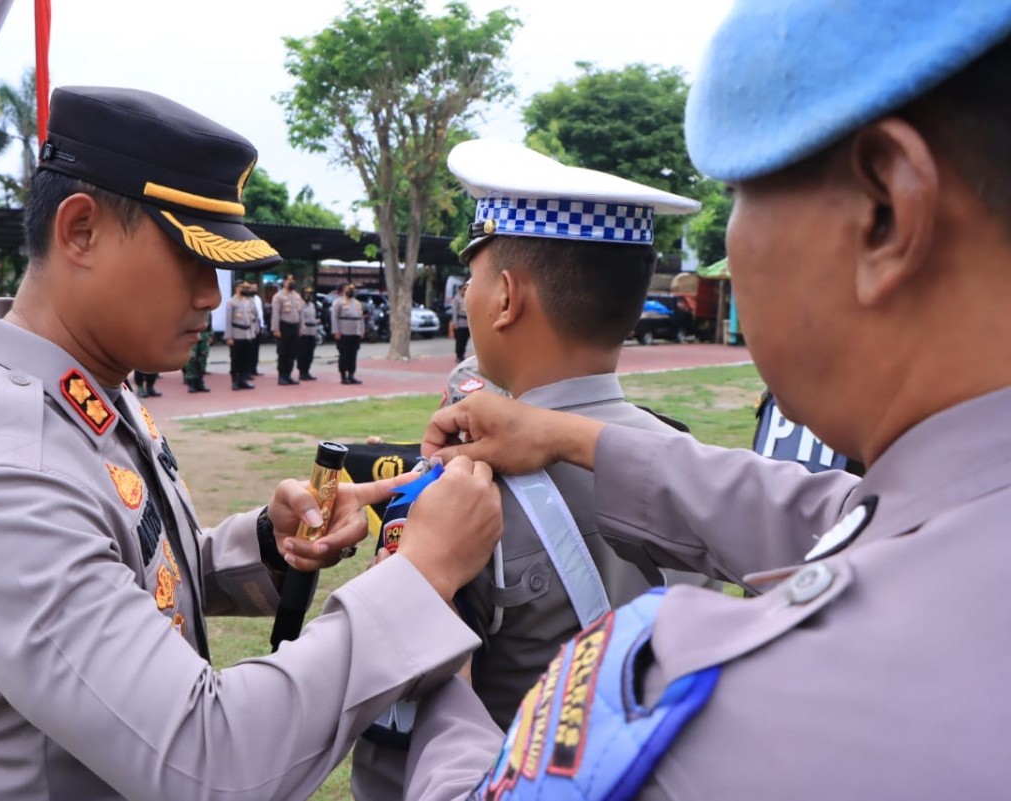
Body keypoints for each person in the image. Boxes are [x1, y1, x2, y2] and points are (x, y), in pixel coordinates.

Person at [403, 2, 1011, 798]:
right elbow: (825, 512)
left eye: (741, 196)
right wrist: (571, 437)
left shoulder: (738, 713)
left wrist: (418, 628)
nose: (731, 247)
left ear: (884, 209)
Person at [0, 85, 505, 801]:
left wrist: (271, 544)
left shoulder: (92, 390)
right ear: (79, 230)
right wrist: (423, 574)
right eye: (189, 255)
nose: (211, 293)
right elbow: (205, 758)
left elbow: (139, 579)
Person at [351, 139, 711, 799]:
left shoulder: (453, 496)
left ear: (506, 299)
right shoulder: (685, 460)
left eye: (476, 279)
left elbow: (389, 761)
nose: (467, 298)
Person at [270, 273, 304, 385]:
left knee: (292, 353)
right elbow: (275, 314)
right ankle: (281, 376)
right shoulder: (278, 296)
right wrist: (275, 329)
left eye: (292, 280)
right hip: (284, 326)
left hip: (295, 326)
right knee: (283, 353)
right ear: (284, 282)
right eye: (289, 280)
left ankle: (289, 375)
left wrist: (301, 327)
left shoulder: (297, 296)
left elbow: (301, 313)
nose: (291, 282)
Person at [225, 279, 256, 391]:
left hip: (248, 334)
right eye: (242, 287)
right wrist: (229, 336)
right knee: (236, 359)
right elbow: (228, 321)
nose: (244, 289)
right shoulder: (232, 302)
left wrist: (253, 333)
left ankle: (244, 379)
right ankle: (235, 381)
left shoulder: (249, 301)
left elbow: (253, 317)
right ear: (237, 288)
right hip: (236, 334)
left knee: (246, 358)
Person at [331, 283, 365, 384]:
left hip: (355, 332)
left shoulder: (357, 303)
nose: (350, 291)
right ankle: (343, 376)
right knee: (344, 354)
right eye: (348, 289)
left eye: (352, 289)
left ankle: (351, 375)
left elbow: (360, 318)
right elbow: (334, 317)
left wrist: (361, 330)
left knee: (353, 355)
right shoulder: (338, 302)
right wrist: (336, 331)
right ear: (344, 290)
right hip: (343, 332)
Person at [181, 310, 212, 393]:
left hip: (204, 334)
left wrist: (210, 334)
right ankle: (191, 383)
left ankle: (200, 381)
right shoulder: (187, 306)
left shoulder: (206, 308)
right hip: (191, 334)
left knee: (203, 357)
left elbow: (209, 320)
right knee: (192, 358)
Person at [296, 284, 320, 381]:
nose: (308, 295)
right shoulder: (299, 304)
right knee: (302, 353)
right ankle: (302, 372)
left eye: (309, 293)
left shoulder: (312, 305)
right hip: (303, 331)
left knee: (310, 353)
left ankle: (307, 371)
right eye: (306, 293)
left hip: (312, 330)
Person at [246, 280, 265, 378]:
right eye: (252, 288)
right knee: (249, 349)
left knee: (256, 349)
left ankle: (254, 369)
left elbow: (260, 313)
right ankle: (248, 370)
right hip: (249, 327)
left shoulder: (257, 298)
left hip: (258, 326)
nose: (254, 290)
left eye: (255, 288)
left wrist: (262, 325)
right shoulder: (246, 299)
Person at [449, 280, 470, 363]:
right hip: (460, 322)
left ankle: (462, 355)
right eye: (463, 289)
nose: (464, 291)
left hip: (467, 323)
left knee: (465, 340)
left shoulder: (468, 298)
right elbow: (454, 312)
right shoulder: (456, 299)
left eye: (466, 289)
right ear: (460, 290)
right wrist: (455, 323)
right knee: (459, 341)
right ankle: (458, 355)